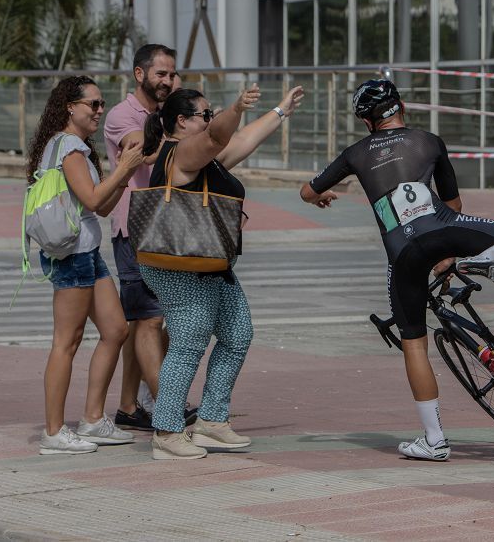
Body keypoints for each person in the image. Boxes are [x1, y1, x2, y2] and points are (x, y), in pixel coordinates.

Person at [300, 79, 494, 461]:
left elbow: (307, 191)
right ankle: (484, 258)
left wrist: (321, 196)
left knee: (414, 343)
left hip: (402, 255)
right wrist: (447, 255)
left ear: (367, 122)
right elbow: (454, 201)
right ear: (402, 108)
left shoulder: (355, 153)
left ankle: (433, 440)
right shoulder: (430, 141)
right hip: (444, 229)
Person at [139, 83, 304, 460]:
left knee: (237, 333)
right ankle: (166, 432)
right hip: (180, 267)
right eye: (205, 113)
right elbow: (219, 134)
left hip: (210, 262)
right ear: (182, 122)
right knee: (187, 345)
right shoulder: (181, 153)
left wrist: (279, 111)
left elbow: (241, 139)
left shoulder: (204, 159)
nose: (211, 120)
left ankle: (211, 422)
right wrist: (234, 107)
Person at [26, 75, 144, 455]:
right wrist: (124, 167)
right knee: (67, 342)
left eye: (101, 103)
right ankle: (53, 431)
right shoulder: (69, 148)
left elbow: (102, 206)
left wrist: (123, 174)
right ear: (69, 107)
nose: (99, 110)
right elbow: (94, 200)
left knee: (115, 329)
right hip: (73, 256)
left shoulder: (73, 147)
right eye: (92, 104)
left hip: (88, 253)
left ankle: (92, 419)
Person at [104, 43, 194, 431]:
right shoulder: (122, 115)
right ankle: (168, 405)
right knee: (148, 321)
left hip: (169, 228)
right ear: (140, 74)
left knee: (150, 321)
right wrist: (185, 134)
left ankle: (128, 406)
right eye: (161, 74)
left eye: (173, 75)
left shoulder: (169, 113)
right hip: (135, 229)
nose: (169, 81)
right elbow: (139, 152)